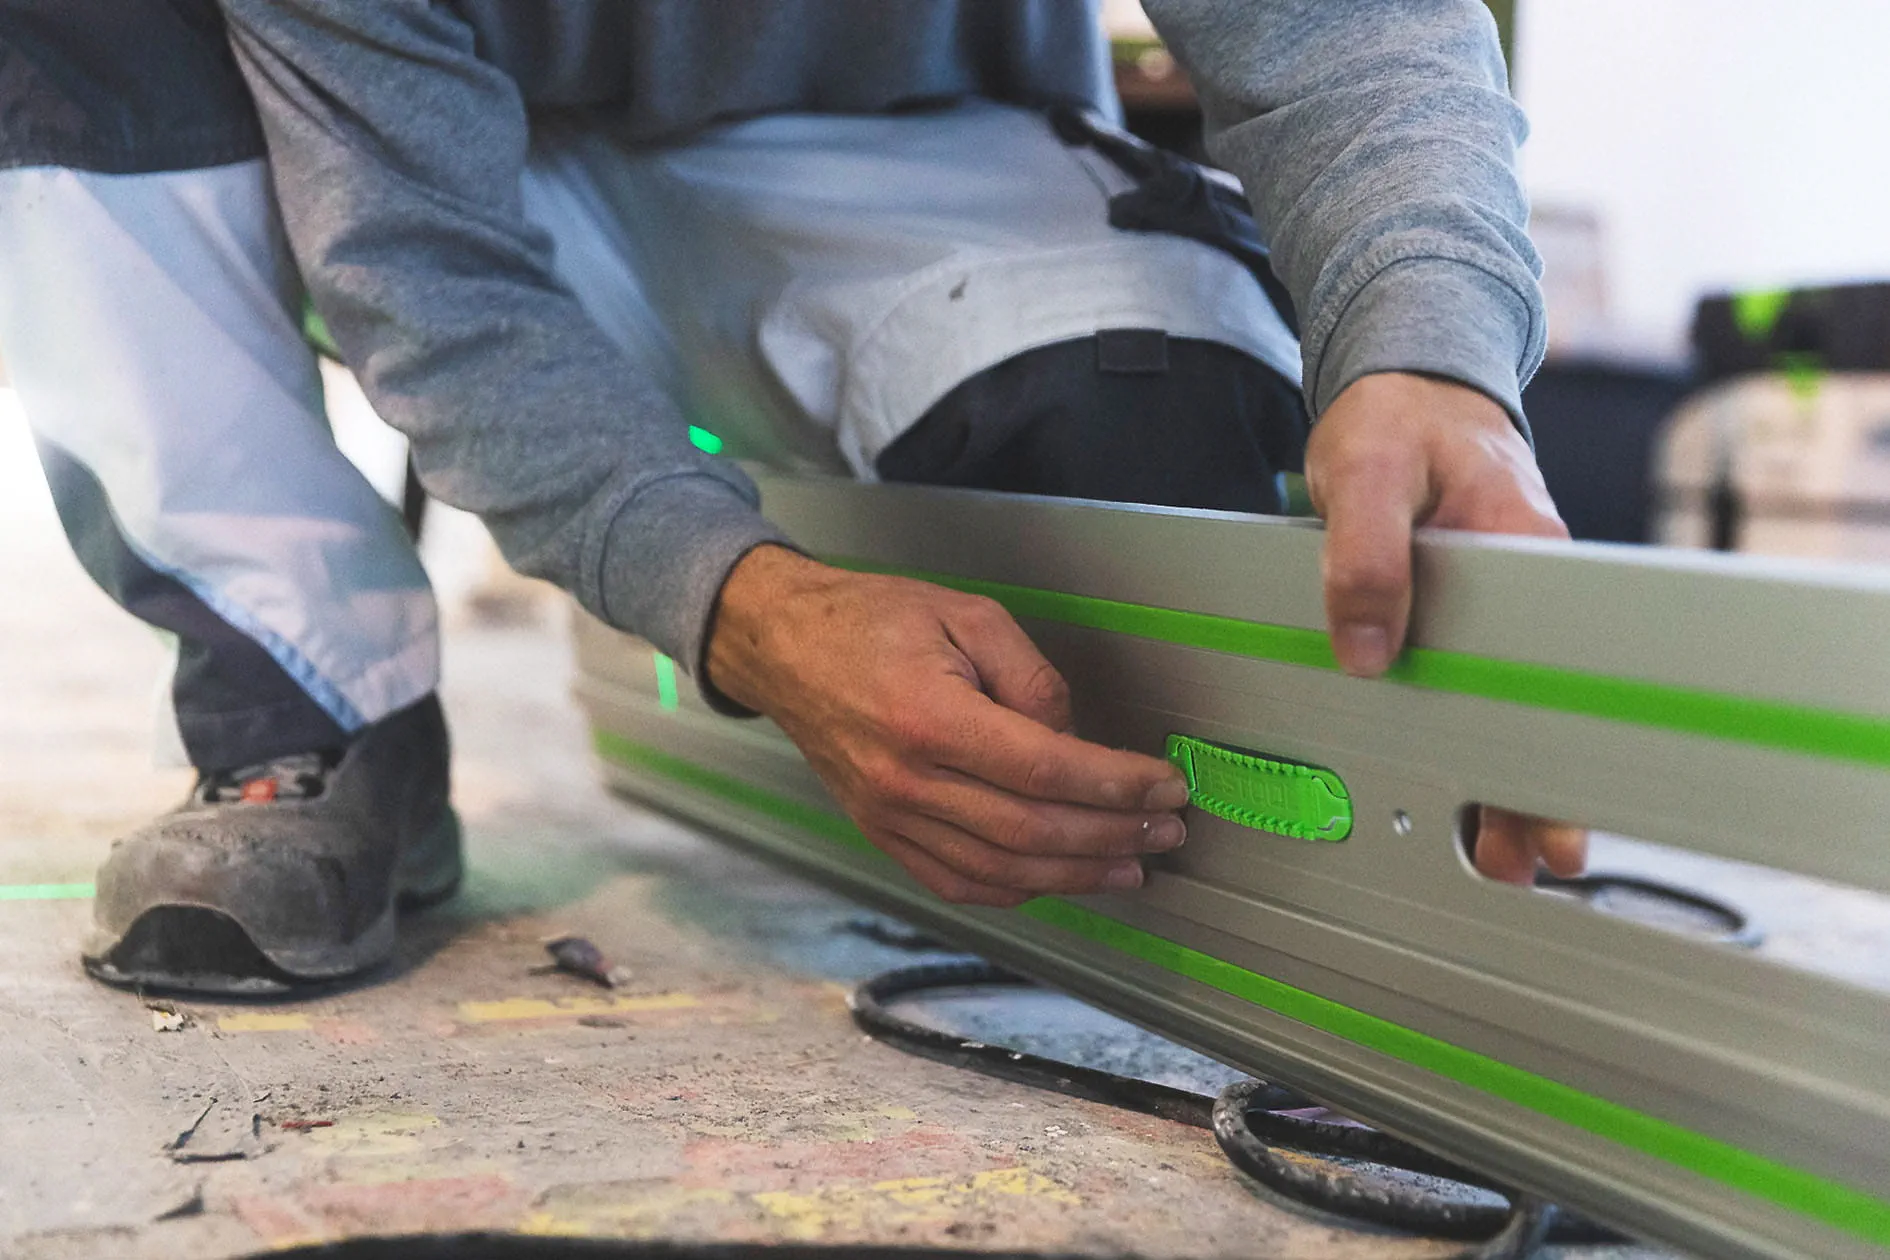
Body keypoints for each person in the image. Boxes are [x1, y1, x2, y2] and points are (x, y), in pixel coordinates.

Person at [0, 0, 1581, 996]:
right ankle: (306, 699)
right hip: (449, 172)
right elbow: (430, 272)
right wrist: (737, 607)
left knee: (1139, 449)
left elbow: (1343, 35)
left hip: (900, 150)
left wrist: (1426, 352)